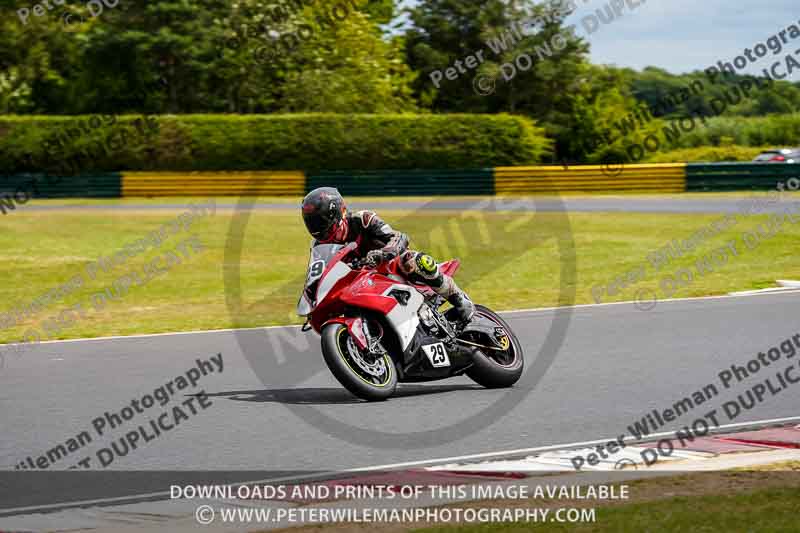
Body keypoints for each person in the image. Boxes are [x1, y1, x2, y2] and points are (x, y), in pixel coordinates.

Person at [300, 187, 475, 323]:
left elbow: (399, 238)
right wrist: (312, 301)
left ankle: (459, 298)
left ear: (337, 213)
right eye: (312, 221)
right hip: (362, 282)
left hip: (391, 268)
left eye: (321, 220)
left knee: (412, 260)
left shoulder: (363, 219)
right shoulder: (319, 246)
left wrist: (381, 254)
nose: (318, 226)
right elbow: (317, 274)